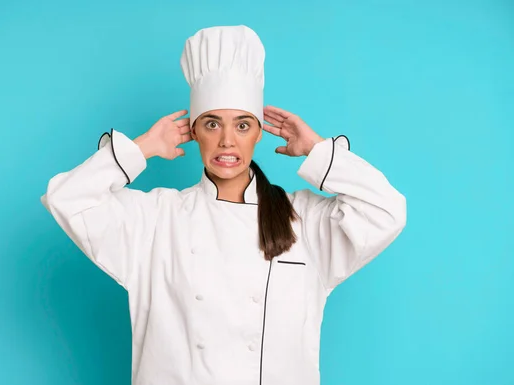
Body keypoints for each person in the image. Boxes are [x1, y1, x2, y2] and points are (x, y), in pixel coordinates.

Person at [41, 25, 407, 385]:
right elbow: (67, 198)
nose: (227, 141)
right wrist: (141, 149)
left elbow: (386, 210)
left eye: (243, 125)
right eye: (213, 124)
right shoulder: (155, 220)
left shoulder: (304, 221)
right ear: (195, 131)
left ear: (260, 133)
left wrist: (319, 150)